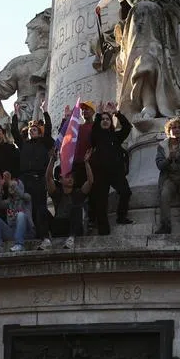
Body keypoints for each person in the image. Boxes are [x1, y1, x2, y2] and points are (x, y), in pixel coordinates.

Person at [11, 100, 55, 241]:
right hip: (24, 180)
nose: (32, 131)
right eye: (30, 130)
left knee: (40, 207)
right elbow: (14, 132)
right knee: (25, 208)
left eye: (35, 129)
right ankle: (28, 234)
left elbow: (48, 129)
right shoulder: (23, 145)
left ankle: (43, 235)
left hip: (38, 179)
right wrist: (16, 115)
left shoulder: (44, 142)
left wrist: (45, 111)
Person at [89, 102, 134, 235]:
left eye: (107, 119)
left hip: (116, 172)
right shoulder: (96, 136)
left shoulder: (116, 136)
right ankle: (103, 229)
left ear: (111, 122)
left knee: (126, 192)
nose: (105, 121)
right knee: (101, 202)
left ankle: (121, 217)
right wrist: (98, 114)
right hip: (100, 173)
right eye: (103, 119)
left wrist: (117, 113)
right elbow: (95, 129)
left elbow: (127, 127)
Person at [155, 117, 180, 236]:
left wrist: (179, 158)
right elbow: (159, 165)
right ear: (169, 130)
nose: (176, 130)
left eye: (179, 127)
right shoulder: (162, 146)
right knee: (164, 197)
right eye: (173, 127)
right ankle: (165, 226)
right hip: (169, 177)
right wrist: (168, 159)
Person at [44, 153, 92, 250]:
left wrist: (86, 162)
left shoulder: (78, 193)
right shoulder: (57, 193)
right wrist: (52, 160)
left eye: (71, 177)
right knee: (41, 210)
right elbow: (48, 178)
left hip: (72, 227)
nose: (70, 179)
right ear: (61, 180)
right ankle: (45, 240)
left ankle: (71, 238)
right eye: (67, 176)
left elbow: (90, 181)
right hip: (58, 226)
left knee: (77, 208)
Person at [0, 173, 34, 254]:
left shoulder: (26, 197)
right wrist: (1, 187)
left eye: (14, 186)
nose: (11, 188)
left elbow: (20, 194)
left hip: (27, 232)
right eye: (10, 186)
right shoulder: (9, 202)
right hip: (12, 231)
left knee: (20, 215)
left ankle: (19, 245)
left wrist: (10, 181)